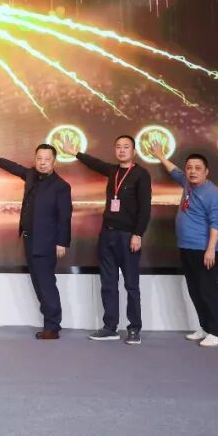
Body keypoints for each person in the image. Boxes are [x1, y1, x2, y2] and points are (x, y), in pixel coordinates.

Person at [0, 143, 72, 340]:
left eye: (47, 159)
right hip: (30, 239)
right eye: (39, 158)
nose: (42, 163)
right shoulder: (31, 175)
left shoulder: (61, 186)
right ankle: (50, 324)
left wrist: (62, 242)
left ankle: (52, 327)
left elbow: (64, 217)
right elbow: (13, 167)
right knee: (38, 283)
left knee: (46, 284)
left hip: (47, 243)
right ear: (35, 159)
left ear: (54, 162)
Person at [63, 135, 150, 345]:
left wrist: (138, 234)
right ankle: (110, 327)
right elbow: (95, 163)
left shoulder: (141, 174)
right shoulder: (113, 171)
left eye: (126, 147)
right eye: (118, 146)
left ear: (134, 151)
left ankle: (134, 328)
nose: (122, 150)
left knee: (131, 285)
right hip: (107, 234)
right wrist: (75, 153)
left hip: (128, 236)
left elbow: (145, 208)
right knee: (108, 283)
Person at [151, 143, 218, 347]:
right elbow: (175, 171)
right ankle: (205, 327)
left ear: (206, 171)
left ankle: (217, 332)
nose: (192, 171)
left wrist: (210, 249)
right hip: (186, 247)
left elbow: (216, 223)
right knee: (195, 290)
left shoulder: (212, 193)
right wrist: (161, 156)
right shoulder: (187, 183)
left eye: (197, 168)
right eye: (189, 168)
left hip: (204, 250)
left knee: (208, 291)